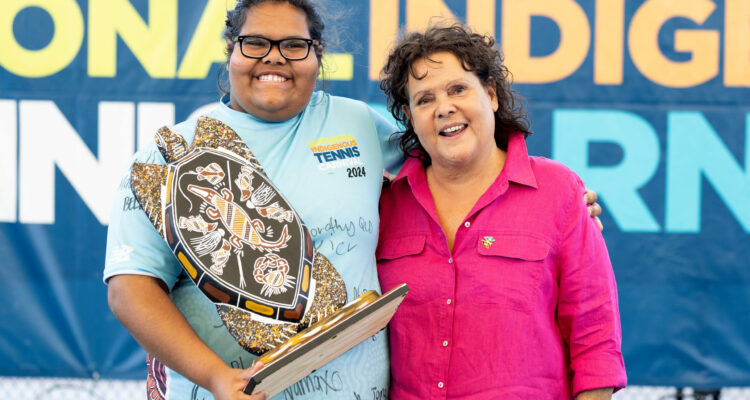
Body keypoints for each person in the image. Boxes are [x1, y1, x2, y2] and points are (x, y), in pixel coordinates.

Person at [104, 1, 603, 399]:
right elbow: (129, 288)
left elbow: (453, 145)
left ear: (318, 56)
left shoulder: (358, 125)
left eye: (295, 45)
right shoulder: (167, 157)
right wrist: (215, 377)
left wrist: (550, 203)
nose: (274, 57)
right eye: (255, 42)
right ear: (230, 51)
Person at [376, 24, 626, 399]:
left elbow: (595, 341)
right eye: (424, 99)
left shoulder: (559, 192)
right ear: (409, 116)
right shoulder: (384, 205)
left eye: (458, 89)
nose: (444, 108)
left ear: (490, 94)